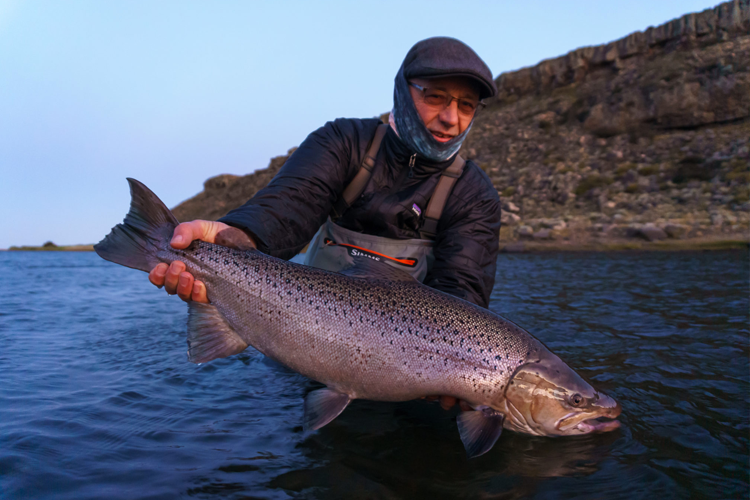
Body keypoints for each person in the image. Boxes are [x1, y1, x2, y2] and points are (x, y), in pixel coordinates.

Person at [148, 37, 501, 411]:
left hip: (407, 371)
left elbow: (462, 290)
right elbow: (289, 206)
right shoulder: (344, 143)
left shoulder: (474, 194)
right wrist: (240, 236)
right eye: (435, 97)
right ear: (402, 90)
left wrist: (458, 369)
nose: (451, 117)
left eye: (466, 105)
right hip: (297, 339)